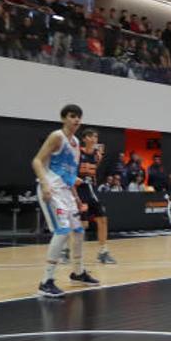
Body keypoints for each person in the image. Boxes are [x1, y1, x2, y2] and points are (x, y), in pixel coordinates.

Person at [32, 105, 100, 297]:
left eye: (79, 117)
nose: (76, 120)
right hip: (51, 189)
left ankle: (78, 273)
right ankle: (46, 281)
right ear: (63, 118)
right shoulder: (57, 136)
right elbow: (36, 161)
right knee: (62, 231)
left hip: (66, 192)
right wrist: (45, 184)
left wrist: (77, 198)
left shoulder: (76, 142)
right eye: (72, 116)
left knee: (78, 230)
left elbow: (70, 175)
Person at [77, 129, 116, 265]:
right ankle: (66, 251)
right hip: (78, 191)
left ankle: (103, 252)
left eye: (96, 137)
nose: (94, 139)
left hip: (91, 191)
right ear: (84, 139)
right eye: (91, 137)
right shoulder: (77, 152)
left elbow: (94, 171)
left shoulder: (97, 155)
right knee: (81, 224)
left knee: (103, 219)